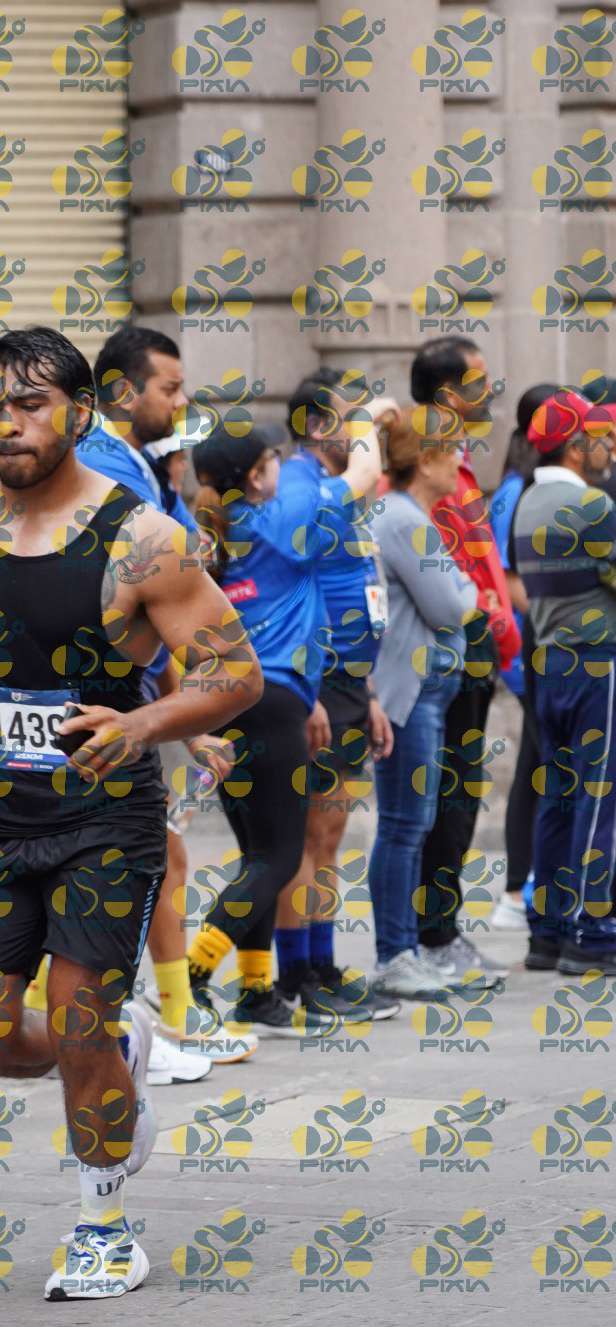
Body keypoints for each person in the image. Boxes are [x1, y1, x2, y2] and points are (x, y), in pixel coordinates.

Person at [0, 325, 262, 1299]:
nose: (8, 424)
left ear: (81, 413)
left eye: (30, 405)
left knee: (77, 1014)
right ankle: (116, 1052)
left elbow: (235, 673)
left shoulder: (142, 540)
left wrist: (143, 721)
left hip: (106, 822)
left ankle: (103, 1222)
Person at [184, 380, 389, 1037]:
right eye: (272, 458)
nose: (281, 464)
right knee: (276, 857)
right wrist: (366, 418)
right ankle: (188, 977)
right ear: (257, 474)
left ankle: (257, 992)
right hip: (273, 702)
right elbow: (365, 473)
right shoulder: (284, 517)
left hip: (230, 701)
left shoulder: (222, 527)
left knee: (258, 854)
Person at [80, 324, 245, 1072]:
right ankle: (131, 1028)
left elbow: (165, 610)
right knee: (137, 864)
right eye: (170, 389)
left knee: (158, 860)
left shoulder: (136, 469)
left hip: (134, 704)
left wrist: (188, 724)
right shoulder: (107, 469)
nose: (181, 403)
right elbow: (146, 609)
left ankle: (163, 1019)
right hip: (108, 705)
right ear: (122, 391)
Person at [271, 368, 400, 1022]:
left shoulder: (333, 488)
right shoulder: (301, 485)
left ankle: (320, 963)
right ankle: (295, 975)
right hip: (314, 682)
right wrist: (311, 691)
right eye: (350, 419)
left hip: (347, 683)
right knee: (308, 837)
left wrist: (367, 690)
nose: (360, 432)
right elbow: (295, 594)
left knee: (331, 834)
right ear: (320, 426)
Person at [406, 338, 519, 986]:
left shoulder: (458, 462)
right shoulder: (433, 468)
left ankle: (436, 930)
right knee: (447, 796)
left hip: (477, 649)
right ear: (450, 395)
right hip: (456, 652)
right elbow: (454, 574)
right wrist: (491, 626)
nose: (490, 391)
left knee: (457, 795)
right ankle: (433, 935)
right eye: (480, 381)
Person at [367, 406, 478, 997]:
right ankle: (394, 955)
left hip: (421, 692)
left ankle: (405, 950)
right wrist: (468, 588)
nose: (462, 459)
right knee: (404, 826)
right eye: (453, 448)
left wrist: (463, 587)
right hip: (409, 695)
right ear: (427, 459)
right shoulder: (403, 518)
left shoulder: (409, 516)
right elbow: (452, 606)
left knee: (412, 824)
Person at [515, 387, 616, 973]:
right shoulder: (592, 505)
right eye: (601, 440)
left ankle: (547, 933)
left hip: (550, 663)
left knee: (557, 797)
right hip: (597, 663)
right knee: (601, 798)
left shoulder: (527, 500)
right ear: (576, 446)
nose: (608, 450)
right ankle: (594, 933)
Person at [487, 384, 558, 933]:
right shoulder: (516, 491)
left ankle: (524, 888)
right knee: (538, 766)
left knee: (539, 765)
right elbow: (508, 579)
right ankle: (517, 890)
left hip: (539, 647)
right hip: (530, 651)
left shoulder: (523, 485)